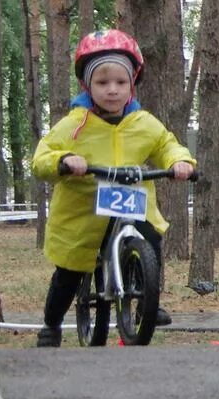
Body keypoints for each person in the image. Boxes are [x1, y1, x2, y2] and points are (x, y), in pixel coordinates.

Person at [31, 29, 196, 347]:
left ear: (132, 83)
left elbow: (167, 145)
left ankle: (147, 300)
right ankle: (51, 324)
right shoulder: (73, 126)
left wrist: (180, 162)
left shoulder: (144, 123)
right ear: (86, 85)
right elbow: (42, 157)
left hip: (133, 203)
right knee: (69, 271)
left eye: (120, 83)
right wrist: (65, 160)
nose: (112, 91)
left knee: (149, 239)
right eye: (102, 83)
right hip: (83, 210)